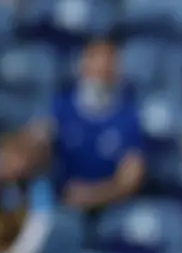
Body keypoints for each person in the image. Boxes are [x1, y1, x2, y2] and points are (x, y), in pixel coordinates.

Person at [37, 37, 144, 213]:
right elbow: (35, 147)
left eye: (110, 62)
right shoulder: (59, 107)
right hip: (61, 203)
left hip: (109, 207)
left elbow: (130, 178)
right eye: (97, 60)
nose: (103, 68)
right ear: (83, 64)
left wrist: (91, 196)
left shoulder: (130, 116)